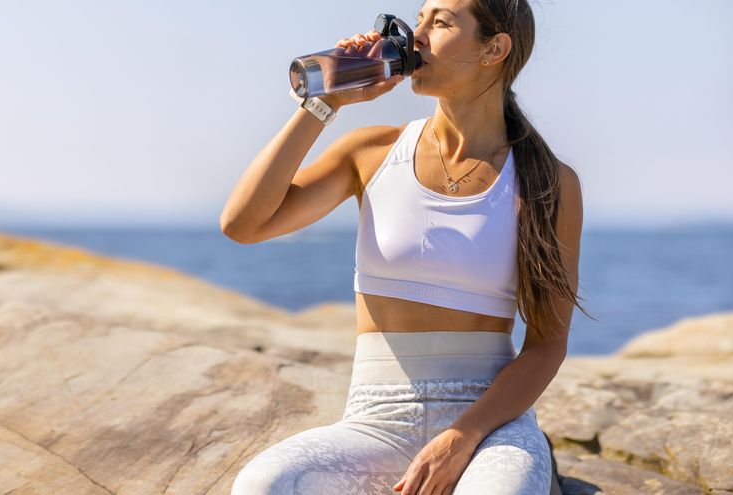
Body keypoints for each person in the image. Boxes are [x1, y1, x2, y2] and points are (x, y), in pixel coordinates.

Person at [220, 0, 591, 493]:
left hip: (491, 426)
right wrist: (325, 102)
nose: (415, 36)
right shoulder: (372, 152)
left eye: (439, 22)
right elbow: (243, 224)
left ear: (494, 49)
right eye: (418, 19)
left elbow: (547, 346)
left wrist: (462, 437)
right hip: (375, 419)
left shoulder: (547, 182)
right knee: (266, 484)